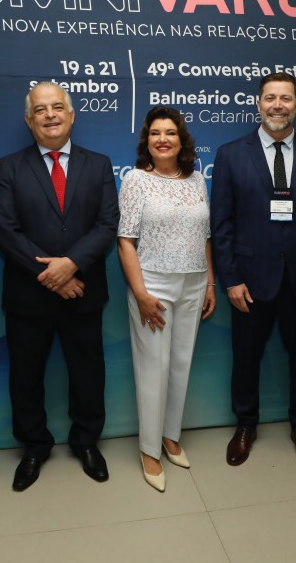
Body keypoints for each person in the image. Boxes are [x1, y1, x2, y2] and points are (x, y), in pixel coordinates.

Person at [0, 82, 119, 491]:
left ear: (72, 115)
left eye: (58, 107)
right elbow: (5, 231)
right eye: (41, 109)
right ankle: (34, 446)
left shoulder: (98, 164)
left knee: (88, 372)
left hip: (84, 289)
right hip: (29, 294)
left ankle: (86, 441)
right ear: (29, 120)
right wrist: (53, 275)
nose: (50, 115)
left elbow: (107, 224)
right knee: (26, 376)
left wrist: (72, 265)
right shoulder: (10, 167)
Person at [210, 71, 296, 472]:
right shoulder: (231, 154)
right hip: (248, 281)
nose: (277, 105)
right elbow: (221, 224)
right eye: (270, 98)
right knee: (245, 358)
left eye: (285, 98)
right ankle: (245, 425)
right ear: (258, 104)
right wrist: (230, 279)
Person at [117, 107, 216, 492]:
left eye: (170, 133)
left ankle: (170, 436)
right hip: (152, 285)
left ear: (181, 140)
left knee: (180, 363)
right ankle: (149, 449)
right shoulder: (136, 180)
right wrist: (141, 293)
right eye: (155, 133)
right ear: (147, 141)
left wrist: (210, 284)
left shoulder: (197, 180)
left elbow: (205, 237)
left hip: (194, 282)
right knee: (153, 367)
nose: (163, 139)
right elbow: (125, 242)